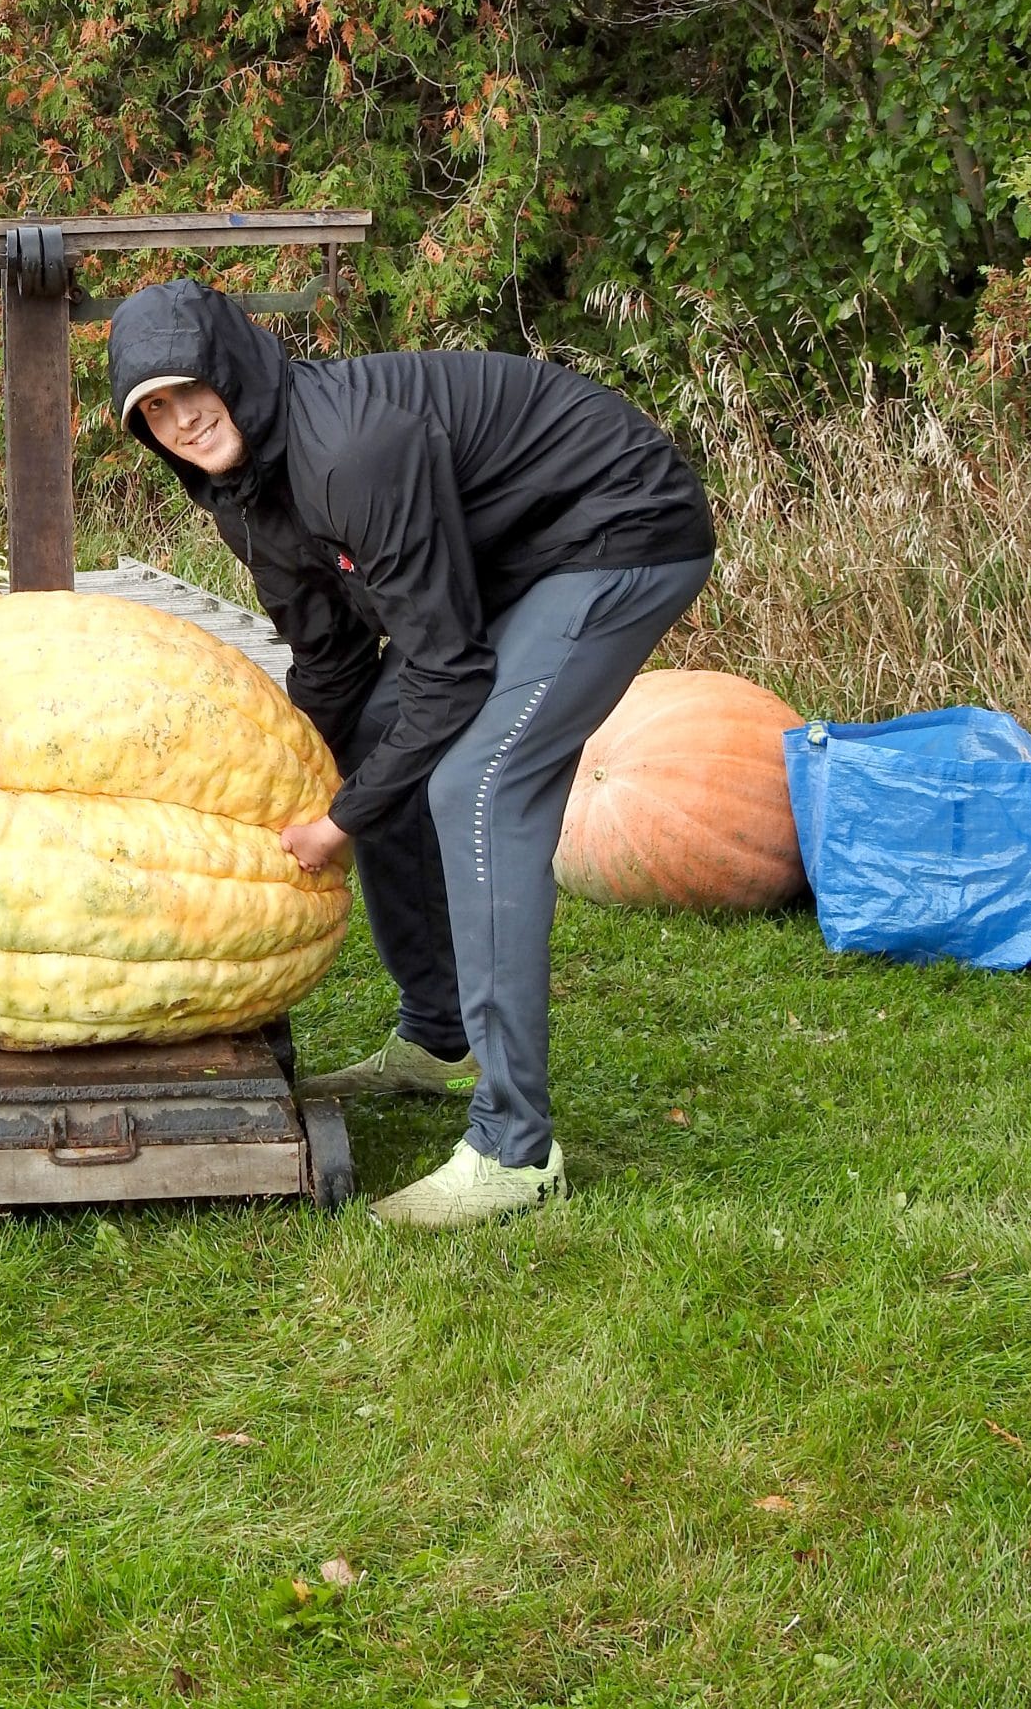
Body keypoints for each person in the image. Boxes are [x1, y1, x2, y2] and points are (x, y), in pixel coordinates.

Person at [108, 279, 713, 1231]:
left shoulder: (348, 452)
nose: (182, 419)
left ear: (235, 370)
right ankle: (439, 1038)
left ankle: (514, 1150)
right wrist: (283, 783)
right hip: (514, 558)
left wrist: (342, 820)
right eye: (154, 409)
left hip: (619, 527)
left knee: (478, 786)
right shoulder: (241, 495)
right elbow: (333, 661)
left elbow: (448, 669)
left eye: (192, 389)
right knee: (370, 746)